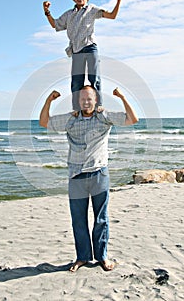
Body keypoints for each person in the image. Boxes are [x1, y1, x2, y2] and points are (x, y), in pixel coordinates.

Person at [39, 85, 138, 272]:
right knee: (78, 219)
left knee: (101, 218)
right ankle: (82, 257)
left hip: (99, 174)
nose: (86, 102)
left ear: (96, 100)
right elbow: (44, 122)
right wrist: (49, 100)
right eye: (83, 98)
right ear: (78, 101)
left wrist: (122, 97)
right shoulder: (71, 119)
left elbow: (132, 119)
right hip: (76, 176)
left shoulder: (103, 117)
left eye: (89, 98)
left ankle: (102, 257)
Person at [42, 0, 121, 112]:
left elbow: (112, 15)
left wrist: (118, 1)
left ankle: (98, 105)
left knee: (94, 77)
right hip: (76, 50)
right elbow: (54, 24)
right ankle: (76, 109)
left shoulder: (92, 10)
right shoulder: (69, 14)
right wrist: (47, 11)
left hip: (90, 47)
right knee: (76, 81)